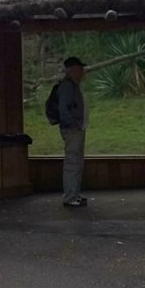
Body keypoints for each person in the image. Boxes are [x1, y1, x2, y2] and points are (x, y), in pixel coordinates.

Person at [57, 56, 88, 208]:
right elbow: (63, 109)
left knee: (77, 163)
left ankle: (74, 194)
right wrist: (73, 125)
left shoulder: (73, 86)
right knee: (72, 163)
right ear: (72, 70)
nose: (82, 72)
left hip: (77, 129)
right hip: (72, 130)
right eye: (80, 69)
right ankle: (70, 196)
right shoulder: (67, 87)